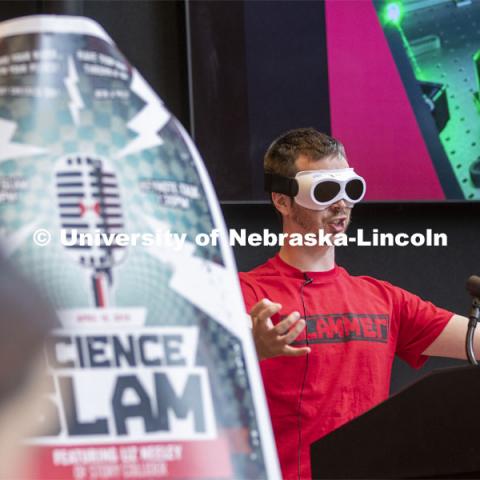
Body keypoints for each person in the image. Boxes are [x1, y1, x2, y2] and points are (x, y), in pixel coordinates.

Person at [238, 128, 471, 480]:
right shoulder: (246, 294)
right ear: (282, 200)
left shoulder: (383, 299)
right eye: (325, 191)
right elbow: (198, 376)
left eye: (350, 188)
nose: (341, 204)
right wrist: (248, 350)